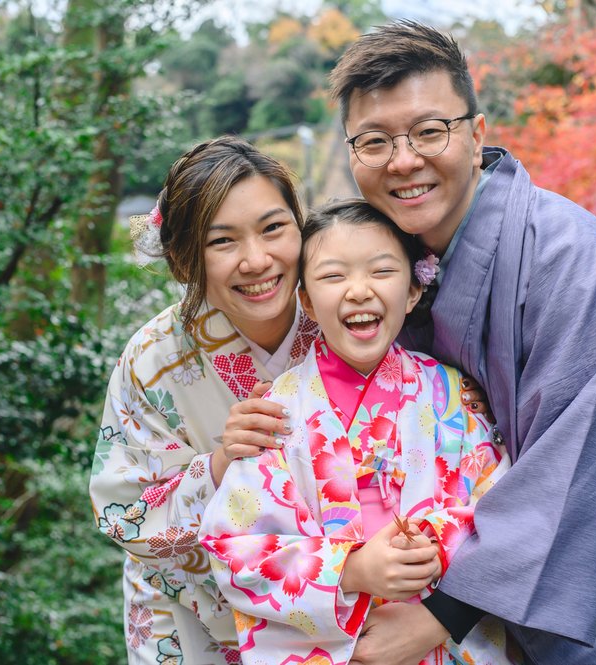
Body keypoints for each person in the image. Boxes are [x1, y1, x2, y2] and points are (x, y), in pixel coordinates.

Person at [225, 21, 596, 665]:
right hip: (454, 616)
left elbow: (573, 466)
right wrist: (243, 439)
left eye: (428, 131)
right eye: (375, 141)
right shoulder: (399, 260)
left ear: (476, 136)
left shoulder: (568, 255)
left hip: (588, 587)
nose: (404, 160)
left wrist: (440, 615)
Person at [89, 135, 493, 663]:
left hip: (387, 619)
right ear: (186, 259)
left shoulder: (342, 308)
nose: (257, 259)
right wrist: (218, 465)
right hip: (200, 618)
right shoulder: (153, 361)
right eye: (222, 241)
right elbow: (124, 515)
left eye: (274, 228)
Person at [200, 199, 519, 665]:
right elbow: (235, 550)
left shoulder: (454, 395)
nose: (358, 291)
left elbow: (503, 508)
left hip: (436, 636)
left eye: (381, 271)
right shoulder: (277, 411)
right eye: (333, 276)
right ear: (306, 300)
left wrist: (434, 552)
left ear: (413, 291)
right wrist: (350, 569)